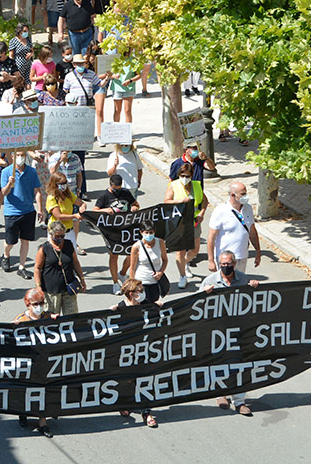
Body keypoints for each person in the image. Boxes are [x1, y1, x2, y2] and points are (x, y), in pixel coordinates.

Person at [200, 250, 260, 416]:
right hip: (218, 331)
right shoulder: (210, 281)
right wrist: (204, 294)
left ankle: (239, 401)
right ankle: (221, 393)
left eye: (228, 264)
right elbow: (195, 305)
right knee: (219, 362)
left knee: (240, 364)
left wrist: (254, 288)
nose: (225, 267)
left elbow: (252, 301)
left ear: (234, 264)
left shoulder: (242, 278)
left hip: (239, 330)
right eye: (223, 264)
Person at [111, 279, 160, 428]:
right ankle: (125, 403)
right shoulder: (120, 308)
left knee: (144, 380)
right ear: (132, 294)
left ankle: (146, 411)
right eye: (140, 291)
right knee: (127, 379)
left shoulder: (146, 306)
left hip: (143, 349)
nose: (143, 293)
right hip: (125, 352)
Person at [12, 287, 55, 437]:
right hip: (27, 364)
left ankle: (43, 422)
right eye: (35, 304)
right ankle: (23, 412)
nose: (39, 306)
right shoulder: (21, 320)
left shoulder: (48, 317)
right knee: (26, 391)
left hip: (45, 362)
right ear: (27, 304)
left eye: (41, 303)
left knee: (44, 391)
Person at [0, 151, 43, 279]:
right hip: (12, 212)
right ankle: (6, 255)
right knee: (10, 241)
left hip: (28, 211)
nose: (20, 158)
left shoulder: (32, 172)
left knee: (25, 240)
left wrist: (40, 209)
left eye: (22, 155)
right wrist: (9, 183)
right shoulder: (6, 172)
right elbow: (4, 192)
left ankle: (22, 267)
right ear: (12, 156)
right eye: (17, 155)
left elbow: (37, 191)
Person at [165, 160, 208, 289]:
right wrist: (180, 201)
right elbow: (166, 201)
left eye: (187, 176)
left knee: (195, 250)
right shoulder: (173, 185)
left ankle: (185, 263)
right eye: (182, 176)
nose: (185, 178)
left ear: (191, 175)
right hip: (179, 222)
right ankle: (182, 276)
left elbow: (205, 202)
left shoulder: (196, 185)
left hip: (194, 221)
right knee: (180, 252)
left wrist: (202, 214)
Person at [207, 180, 262, 274]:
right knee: (225, 285)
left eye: (246, 193)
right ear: (233, 195)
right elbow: (211, 238)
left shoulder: (248, 208)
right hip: (225, 260)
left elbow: (252, 231)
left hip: (242, 256)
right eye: (242, 194)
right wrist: (211, 260)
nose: (246, 197)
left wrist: (258, 252)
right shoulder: (220, 211)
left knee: (239, 284)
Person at [34, 219, 86, 315]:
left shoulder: (69, 245)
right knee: (52, 317)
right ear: (51, 235)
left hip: (69, 287)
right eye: (57, 236)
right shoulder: (44, 249)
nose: (60, 239)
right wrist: (38, 286)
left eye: (62, 236)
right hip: (51, 290)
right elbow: (37, 268)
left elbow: (75, 263)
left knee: (72, 316)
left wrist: (82, 278)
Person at [129, 220, 169, 304]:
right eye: (146, 232)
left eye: (151, 232)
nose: (148, 235)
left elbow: (165, 260)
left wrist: (160, 272)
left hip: (155, 282)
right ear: (141, 232)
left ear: (154, 232)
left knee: (154, 305)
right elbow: (132, 268)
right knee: (143, 306)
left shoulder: (160, 243)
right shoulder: (136, 246)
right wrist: (134, 285)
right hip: (142, 282)